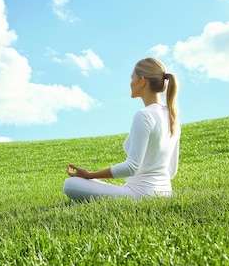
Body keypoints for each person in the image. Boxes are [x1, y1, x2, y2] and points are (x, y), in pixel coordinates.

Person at [63, 57, 180, 201]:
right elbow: (171, 171)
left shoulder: (144, 115)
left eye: (132, 78)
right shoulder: (173, 117)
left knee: (71, 184)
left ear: (142, 81)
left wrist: (90, 175)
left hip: (141, 195)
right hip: (165, 193)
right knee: (91, 184)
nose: (130, 83)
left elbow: (132, 167)